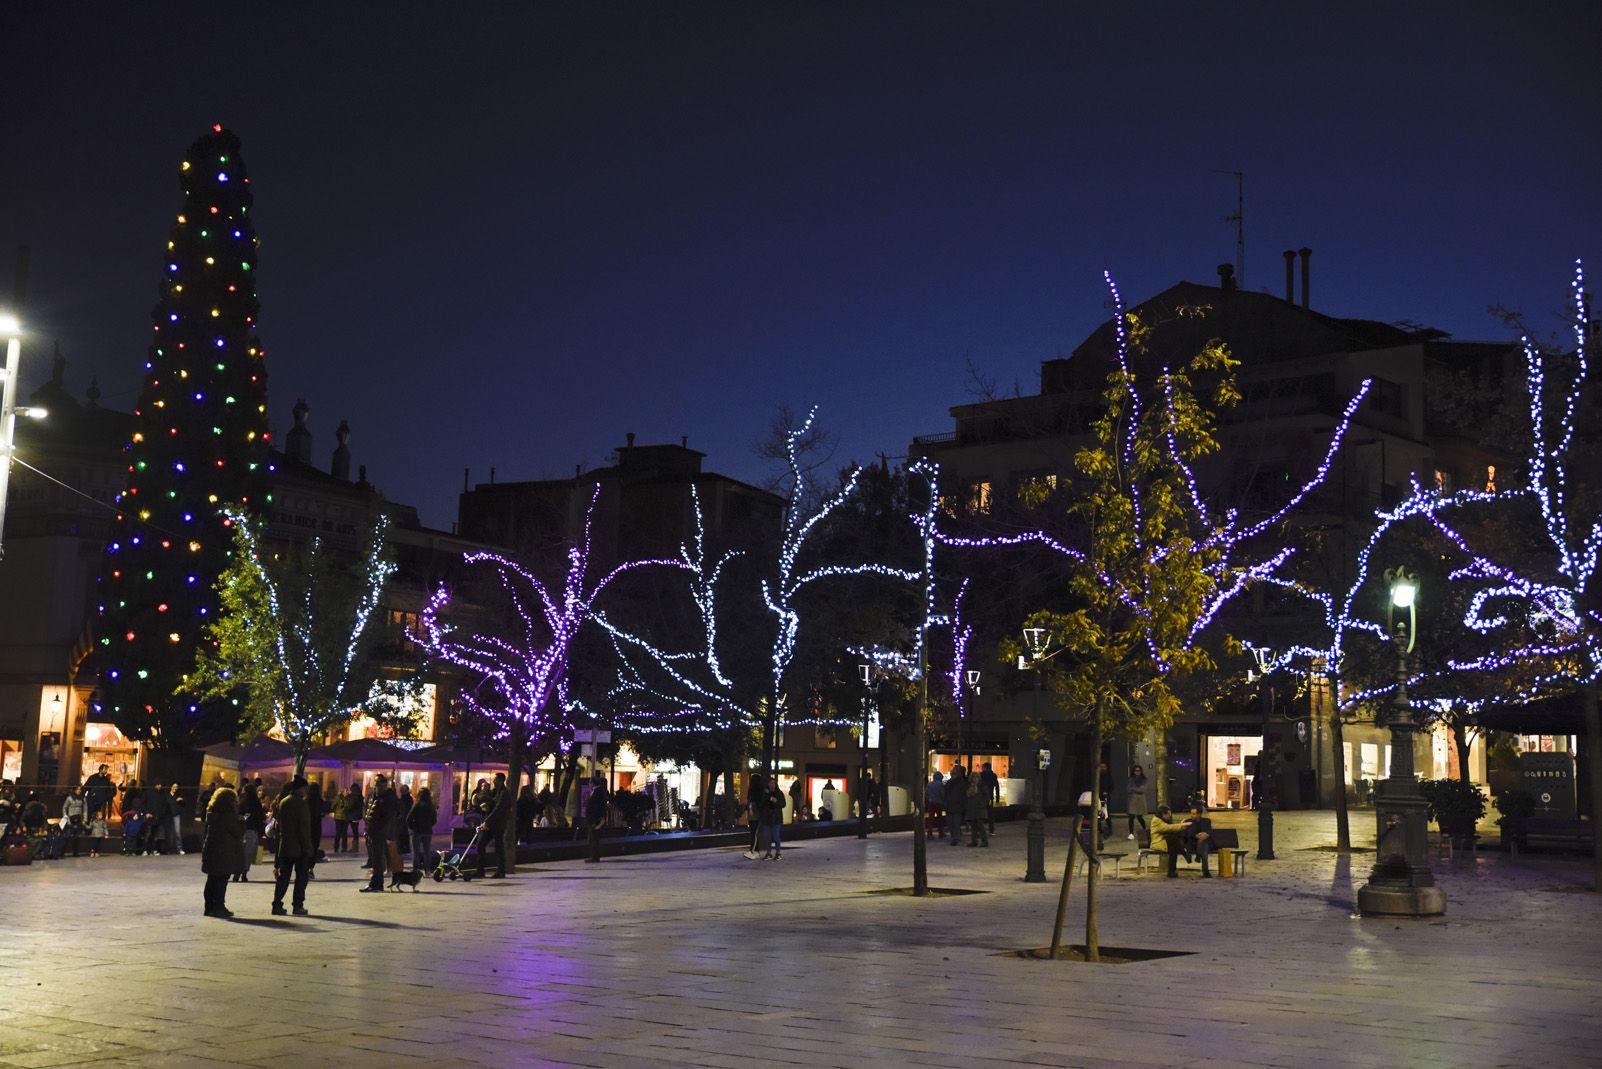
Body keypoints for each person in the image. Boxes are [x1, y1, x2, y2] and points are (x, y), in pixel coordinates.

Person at [200, 786, 245, 918]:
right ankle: (219, 906)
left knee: (212, 879)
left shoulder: (211, 813)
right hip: (225, 851)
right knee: (221, 880)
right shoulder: (228, 816)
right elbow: (237, 832)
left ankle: (209, 907)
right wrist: (242, 822)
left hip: (211, 849)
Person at [271, 778, 313, 915]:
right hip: (299, 847)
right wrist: (308, 847)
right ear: (299, 789)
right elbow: (303, 828)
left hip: (286, 845)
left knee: (284, 877)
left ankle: (277, 904)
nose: (306, 791)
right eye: (305, 788)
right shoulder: (301, 804)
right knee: (301, 877)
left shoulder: (283, 802)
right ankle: (298, 905)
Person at [360, 774, 396, 892]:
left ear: (385, 785)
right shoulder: (373, 795)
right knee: (375, 859)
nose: (377, 786)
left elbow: (388, 817)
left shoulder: (388, 798)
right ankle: (375, 883)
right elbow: (368, 811)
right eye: (376, 783)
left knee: (378, 858)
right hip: (372, 831)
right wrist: (367, 828)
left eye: (380, 783)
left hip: (379, 832)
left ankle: (377, 884)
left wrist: (380, 830)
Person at [478, 771, 511, 878]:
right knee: (480, 843)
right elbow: (490, 804)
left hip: (498, 824)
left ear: (501, 781)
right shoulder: (494, 792)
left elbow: (498, 809)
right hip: (490, 824)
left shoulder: (504, 793)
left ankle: (501, 871)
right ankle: (480, 869)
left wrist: (486, 821)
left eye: (496, 780)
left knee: (499, 847)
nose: (494, 781)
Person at [237, 780, 265, 880]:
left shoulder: (240, 801)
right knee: (248, 853)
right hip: (252, 830)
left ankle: (236, 872)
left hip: (240, 830)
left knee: (239, 851)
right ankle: (244, 873)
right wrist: (261, 832)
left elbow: (239, 815)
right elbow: (260, 818)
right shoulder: (256, 803)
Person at [408, 787, 437, 872]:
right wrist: (429, 825)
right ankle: (427, 870)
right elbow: (434, 820)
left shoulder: (417, 805)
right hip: (427, 831)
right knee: (427, 852)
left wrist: (413, 827)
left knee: (416, 852)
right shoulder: (431, 806)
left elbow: (409, 819)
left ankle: (415, 869)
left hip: (417, 831)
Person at [756, 776, 786, 860]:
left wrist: (776, 801)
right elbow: (761, 805)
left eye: (773, 783)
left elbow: (783, 804)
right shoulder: (765, 793)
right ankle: (768, 853)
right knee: (767, 837)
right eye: (770, 783)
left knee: (776, 836)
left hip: (776, 818)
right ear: (768, 784)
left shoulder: (779, 793)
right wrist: (766, 797)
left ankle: (778, 852)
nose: (772, 785)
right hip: (766, 818)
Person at [583, 773, 609, 865]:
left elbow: (597, 807)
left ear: (593, 783)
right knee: (593, 839)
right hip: (593, 819)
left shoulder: (597, 792)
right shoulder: (597, 791)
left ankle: (594, 857)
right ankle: (593, 856)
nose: (588, 785)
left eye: (589, 783)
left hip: (595, 820)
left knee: (594, 839)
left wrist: (594, 820)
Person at [61, 785, 88, 857]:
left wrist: (85, 819)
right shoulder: (69, 798)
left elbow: (85, 810)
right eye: (77, 789)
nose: (79, 791)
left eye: (80, 789)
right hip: (71, 818)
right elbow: (64, 808)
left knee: (77, 837)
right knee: (67, 836)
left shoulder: (83, 798)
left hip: (79, 818)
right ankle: (62, 852)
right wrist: (66, 818)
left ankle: (75, 852)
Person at [965, 771, 989, 847]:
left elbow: (986, 796)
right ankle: (974, 841)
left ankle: (984, 841)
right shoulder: (969, 786)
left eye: (976, 777)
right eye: (973, 777)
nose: (975, 779)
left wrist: (982, 804)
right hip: (972, 809)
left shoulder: (982, 786)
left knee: (980, 826)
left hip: (979, 809)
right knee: (973, 826)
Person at [1126, 764, 1149, 841]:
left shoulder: (1144, 779)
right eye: (1136, 770)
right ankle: (1131, 833)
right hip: (1132, 800)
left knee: (1140, 817)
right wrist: (1135, 789)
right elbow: (1128, 789)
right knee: (1131, 817)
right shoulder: (1131, 779)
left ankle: (1144, 829)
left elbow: (1142, 790)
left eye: (1139, 770)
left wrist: (1134, 789)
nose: (1137, 772)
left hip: (1140, 801)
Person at [945, 765, 968, 845]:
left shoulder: (961, 783)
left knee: (956, 823)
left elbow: (964, 795)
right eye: (952, 773)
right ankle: (955, 837)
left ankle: (956, 838)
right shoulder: (949, 782)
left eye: (954, 773)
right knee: (951, 823)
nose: (953, 774)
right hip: (950, 806)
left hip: (957, 807)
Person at [980, 761, 1001, 834]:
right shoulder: (993, 775)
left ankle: (981, 829)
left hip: (982, 797)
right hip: (990, 797)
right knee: (990, 814)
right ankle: (991, 829)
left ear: (984, 768)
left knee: (981, 813)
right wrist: (997, 797)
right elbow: (997, 786)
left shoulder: (981, 775)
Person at [395, 783, 414, 862]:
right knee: (403, 833)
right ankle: (404, 847)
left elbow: (406, 809)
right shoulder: (405, 798)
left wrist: (402, 816)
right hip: (404, 818)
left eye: (402, 790)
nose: (401, 791)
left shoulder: (407, 798)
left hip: (404, 819)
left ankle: (404, 848)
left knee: (403, 833)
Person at [926, 769, 946, 839]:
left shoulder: (929, 784)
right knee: (939, 818)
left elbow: (926, 794)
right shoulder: (941, 785)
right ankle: (941, 832)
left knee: (931, 819)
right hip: (939, 802)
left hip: (931, 802)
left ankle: (929, 833)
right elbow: (943, 794)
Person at [331, 787, 352, 853]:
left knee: (344, 834)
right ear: (342, 791)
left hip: (345, 818)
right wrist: (336, 811)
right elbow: (332, 806)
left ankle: (344, 848)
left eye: (347, 791)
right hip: (339, 818)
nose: (347, 792)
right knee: (338, 833)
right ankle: (336, 847)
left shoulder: (349, 798)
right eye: (345, 791)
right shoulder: (338, 798)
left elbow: (350, 806)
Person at [168, 783, 187, 855]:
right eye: (174, 787)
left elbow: (184, 805)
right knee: (169, 832)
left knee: (177, 832)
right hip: (168, 815)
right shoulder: (168, 795)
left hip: (176, 815)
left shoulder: (178, 795)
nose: (175, 788)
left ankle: (179, 848)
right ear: (171, 787)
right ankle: (169, 849)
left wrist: (182, 800)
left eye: (176, 787)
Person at [346, 782, 363, 848]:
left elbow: (350, 806)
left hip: (353, 816)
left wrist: (346, 808)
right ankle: (355, 846)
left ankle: (355, 847)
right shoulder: (360, 796)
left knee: (354, 831)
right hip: (357, 816)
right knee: (355, 831)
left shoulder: (354, 796)